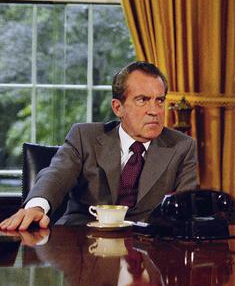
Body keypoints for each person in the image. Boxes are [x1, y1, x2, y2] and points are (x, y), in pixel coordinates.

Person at [0, 61, 198, 230]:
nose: (154, 111)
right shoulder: (84, 137)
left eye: (160, 100)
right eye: (143, 100)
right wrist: (36, 207)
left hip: (147, 253)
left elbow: (185, 209)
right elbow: (56, 175)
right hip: (82, 245)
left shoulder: (182, 147)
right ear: (118, 107)